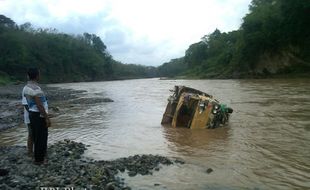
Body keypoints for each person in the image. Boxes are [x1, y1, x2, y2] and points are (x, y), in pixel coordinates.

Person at [23, 68, 51, 164]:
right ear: (37, 76)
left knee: (36, 136)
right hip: (38, 115)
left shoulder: (26, 87)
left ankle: (37, 157)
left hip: (32, 114)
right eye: (39, 74)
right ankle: (39, 160)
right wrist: (47, 117)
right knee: (41, 137)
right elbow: (39, 105)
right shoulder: (36, 88)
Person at [22, 85, 33, 156]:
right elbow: (26, 104)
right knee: (31, 134)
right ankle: (30, 151)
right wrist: (34, 114)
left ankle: (33, 150)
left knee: (35, 134)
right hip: (30, 117)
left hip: (34, 116)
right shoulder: (26, 88)